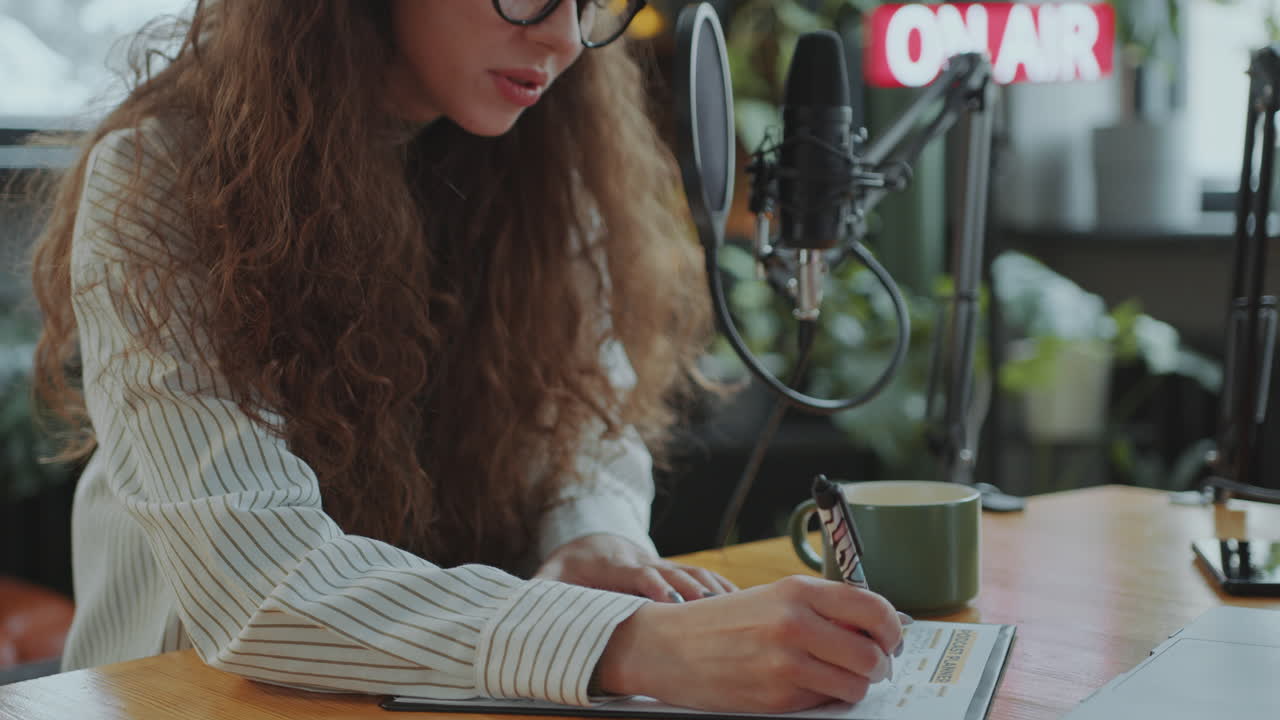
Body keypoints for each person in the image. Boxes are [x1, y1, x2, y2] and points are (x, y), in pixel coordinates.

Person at [28, 0, 904, 713]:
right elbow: (261, 587)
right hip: (189, 695)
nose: (563, 35)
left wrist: (590, 534)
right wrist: (628, 644)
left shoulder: (549, 164)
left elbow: (585, 422)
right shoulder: (161, 175)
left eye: (593, 0)